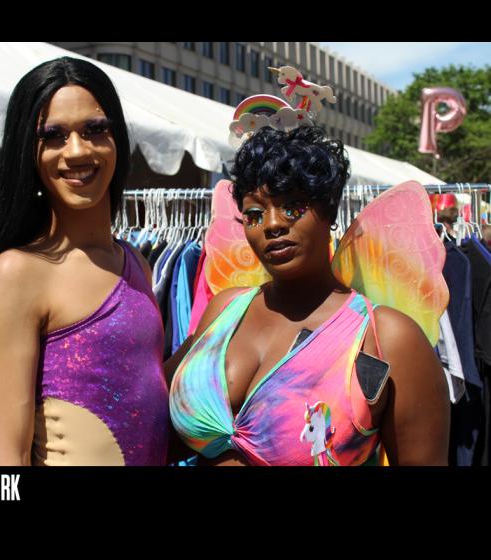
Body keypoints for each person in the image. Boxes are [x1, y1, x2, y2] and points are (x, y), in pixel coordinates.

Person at [167, 125, 450, 466]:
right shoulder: (225, 309)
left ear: (328, 212)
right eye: (254, 215)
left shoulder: (386, 337)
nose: (272, 224)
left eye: (292, 207)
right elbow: (144, 408)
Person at [0, 56, 169, 466]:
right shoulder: (15, 274)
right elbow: (6, 455)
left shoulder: (136, 263)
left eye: (95, 130)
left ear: (117, 141)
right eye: (53, 136)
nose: (77, 150)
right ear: (27, 151)